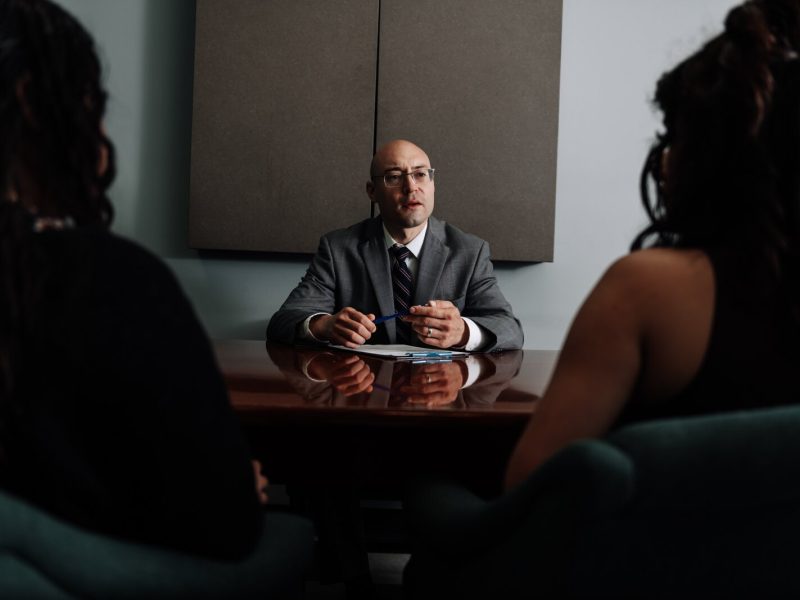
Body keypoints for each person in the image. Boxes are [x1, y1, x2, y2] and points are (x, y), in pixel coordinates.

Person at [0, 0, 265, 558]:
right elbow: (219, 518)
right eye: (91, 103)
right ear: (30, 100)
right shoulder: (104, 279)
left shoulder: (468, 251)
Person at [506, 0, 800, 489]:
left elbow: (533, 494)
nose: (663, 159)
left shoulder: (647, 288)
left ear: (706, 152)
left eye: (673, 135)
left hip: (654, 565)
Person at [267, 139, 524, 352]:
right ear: (372, 191)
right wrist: (324, 326)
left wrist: (463, 332)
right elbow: (283, 322)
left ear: (432, 183)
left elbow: (510, 330)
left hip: (439, 397)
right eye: (394, 177)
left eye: (420, 174)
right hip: (361, 393)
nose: (411, 187)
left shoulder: (469, 250)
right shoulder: (338, 248)